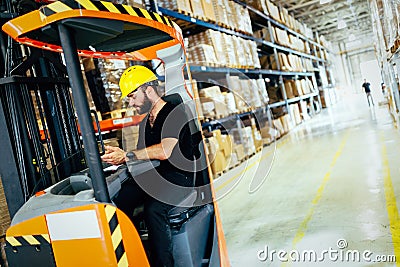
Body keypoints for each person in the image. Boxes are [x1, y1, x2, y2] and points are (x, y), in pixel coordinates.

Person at [101, 65, 195, 267]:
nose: (131, 102)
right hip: (158, 176)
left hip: (181, 177)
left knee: (154, 209)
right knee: (118, 200)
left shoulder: (174, 113)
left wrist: (126, 156)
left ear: (149, 90)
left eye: (133, 96)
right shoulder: (146, 122)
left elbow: (164, 150)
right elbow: (141, 155)